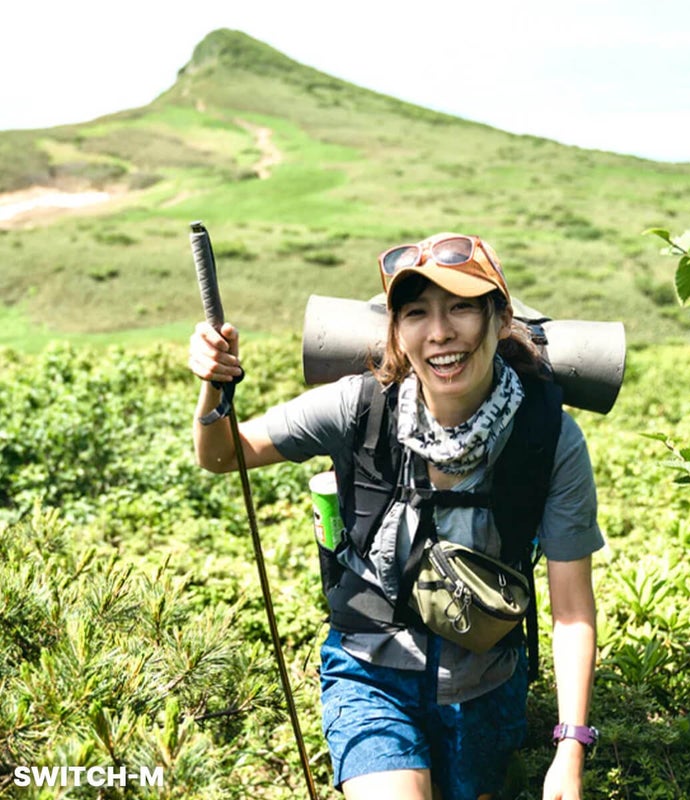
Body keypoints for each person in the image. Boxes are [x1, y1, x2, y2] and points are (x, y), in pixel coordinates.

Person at [188, 232, 602, 800]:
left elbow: (572, 611)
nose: (439, 332)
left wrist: (570, 746)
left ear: (501, 317)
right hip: (369, 675)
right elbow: (223, 455)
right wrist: (213, 388)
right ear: (397, 333)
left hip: (485, 686)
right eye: (416, 313)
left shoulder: (547, 437)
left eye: (461, 307)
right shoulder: (359, 405)